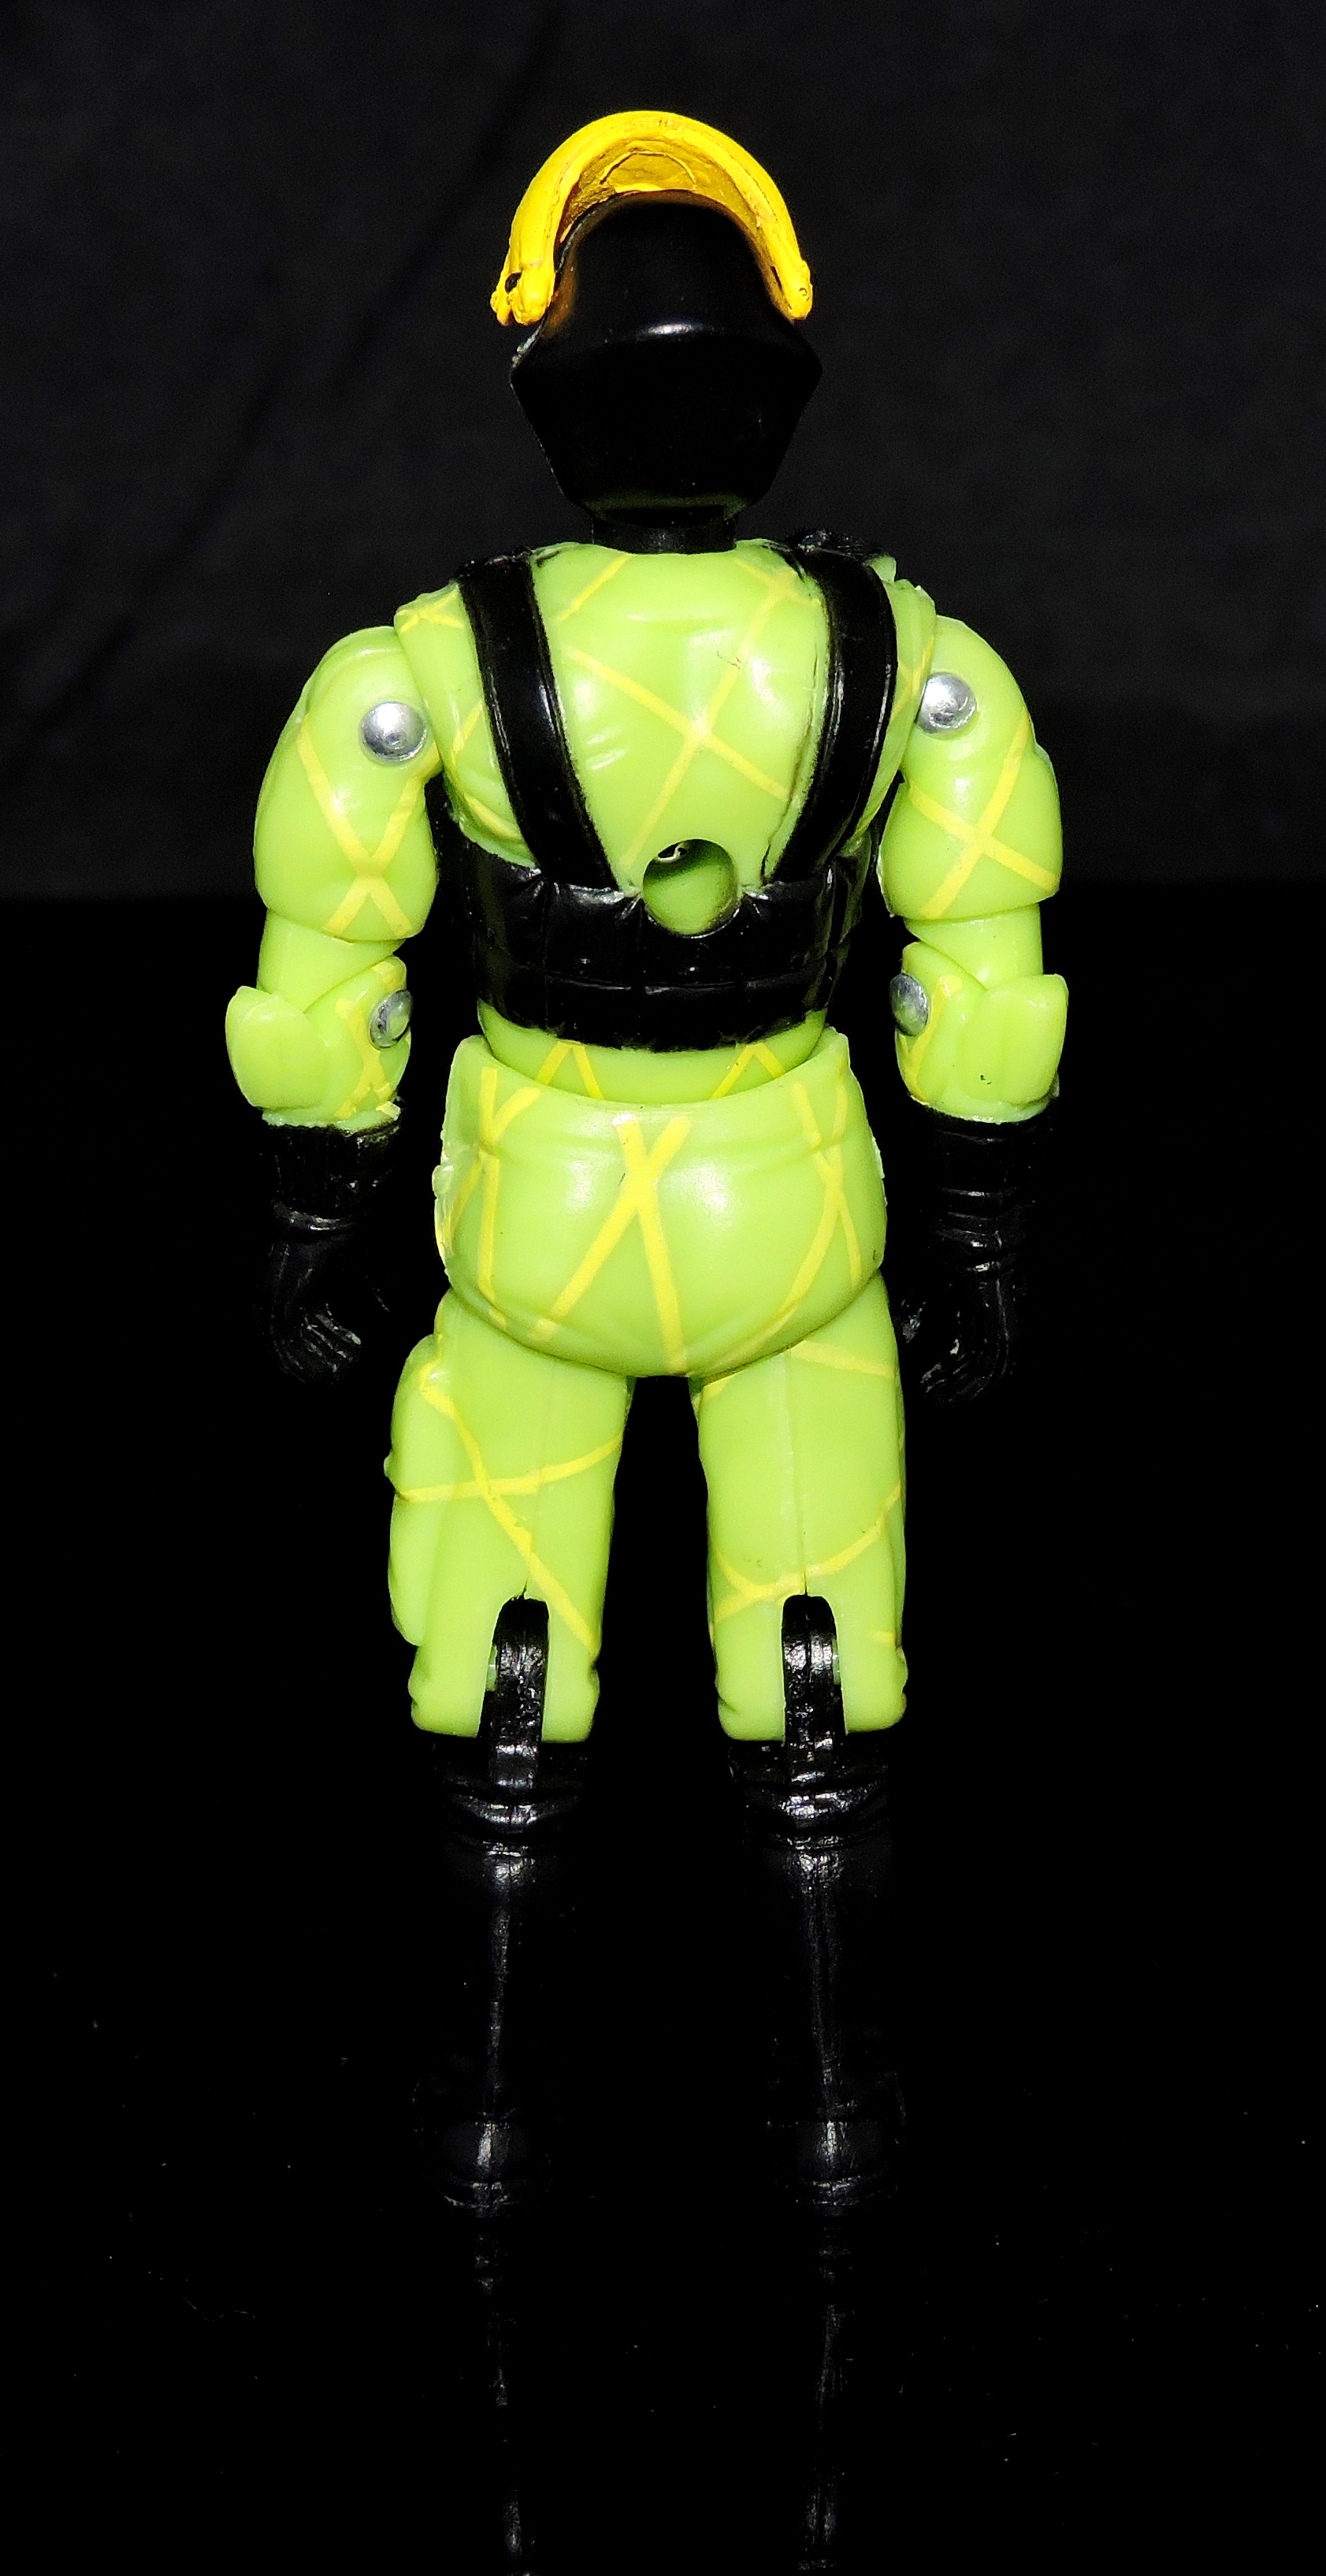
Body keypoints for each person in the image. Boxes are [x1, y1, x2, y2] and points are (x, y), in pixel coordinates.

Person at [225, 112, 1066, 2210]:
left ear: (544, 385)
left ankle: (488, 2104)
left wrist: (318, 1216)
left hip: (536, 1207)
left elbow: (325, 977)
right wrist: (978, 1226)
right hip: (795, 1206)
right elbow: (982, 969)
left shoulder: (419, 672)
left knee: (498, 1664)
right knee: (818, 1665)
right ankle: (837, 2104)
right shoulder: (909, 666)